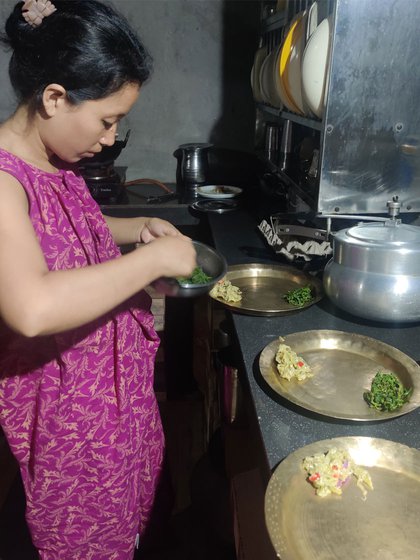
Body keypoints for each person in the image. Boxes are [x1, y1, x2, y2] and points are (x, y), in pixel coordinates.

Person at [0, 0, 197, 558]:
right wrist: (153, 263)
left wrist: (136, 229)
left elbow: (64, 225)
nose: (111, 138)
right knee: (80, 535)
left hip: (111, 399)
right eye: (107, 119)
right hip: (67, 423)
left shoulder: (52, 162)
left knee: (127, 517)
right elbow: (32, 306)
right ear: (55, 98)